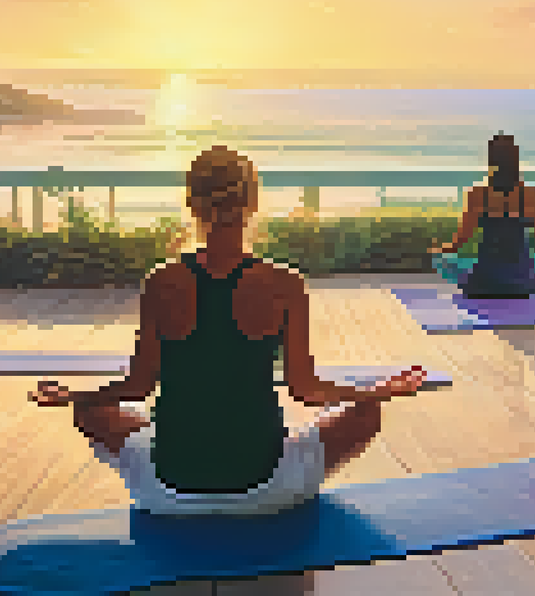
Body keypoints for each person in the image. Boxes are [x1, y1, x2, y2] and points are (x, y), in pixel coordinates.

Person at [30, 145, 427, 515]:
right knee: (364, 414)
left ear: (191, 204)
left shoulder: (162, 280)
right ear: (252, 204)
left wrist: (74, 396)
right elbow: (306, 390)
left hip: (168, 490)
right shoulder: (285, 283)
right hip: (267, 487)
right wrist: (374, 393)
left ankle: (177, 447)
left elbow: (137, 386)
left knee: (92, 411)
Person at [430, 133, 535, 299]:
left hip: (484, 282)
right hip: (522, 282)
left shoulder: (477, 194)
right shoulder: (531, 194)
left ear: (491, 161)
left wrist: (441, 250)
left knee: (442, 261)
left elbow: (460, 241)